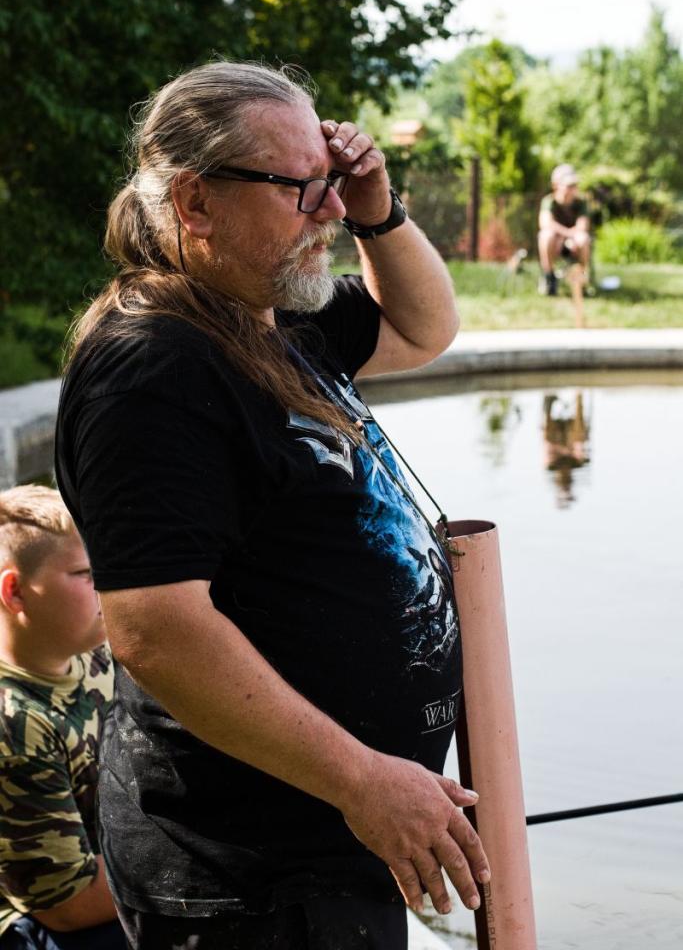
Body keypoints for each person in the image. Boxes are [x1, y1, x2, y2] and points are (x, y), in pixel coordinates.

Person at [55, 61, 490, 950]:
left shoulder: (275, 314)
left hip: (326, 855)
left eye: (331, 182)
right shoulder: (152, 368)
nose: (328, 211)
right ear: (196, 202)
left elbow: (424, 328)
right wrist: (363, 780)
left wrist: (378, 209)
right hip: (245, 880)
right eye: (300, 188)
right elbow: (158, 630)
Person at [0, 485, 125, 950]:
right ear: (15, 592)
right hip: (41, 922)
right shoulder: (15, 722)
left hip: (104, 859)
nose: (108, 582)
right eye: (85, 573)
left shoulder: (93, 649)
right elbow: (68, 907)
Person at [537, 164, 591, 298]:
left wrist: (569, 238)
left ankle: (582, 280)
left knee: (583, 238)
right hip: (555, 243)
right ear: (556, 185)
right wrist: (564, 236)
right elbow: (545, 223)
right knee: (546, 236)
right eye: (569, 185)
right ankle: (550, 279)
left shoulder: (581, 202)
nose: (573, 189)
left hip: (574, 243)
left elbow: (583, 225)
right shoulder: (549, 201)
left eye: (574, 185)